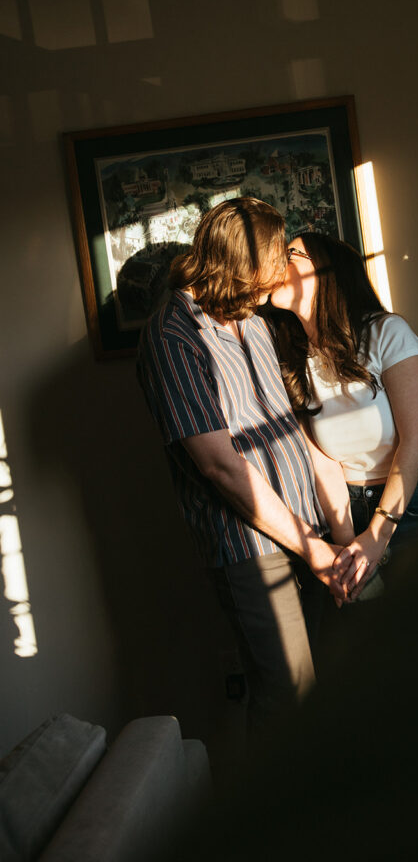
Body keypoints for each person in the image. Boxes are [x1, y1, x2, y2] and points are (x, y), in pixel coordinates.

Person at [136, 198, 346, 737]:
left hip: (309, 533)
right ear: (237, 265)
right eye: (268, 267)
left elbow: (286, 423)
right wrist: (312, 546)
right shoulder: (173, 335)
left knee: (328, 692)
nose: (274, 281)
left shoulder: (251, 320)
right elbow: (220, 467)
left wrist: (331, 528)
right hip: (251, 550)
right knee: (290, 701)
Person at [267, 231, 418, 602]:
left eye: (291, 253)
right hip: (351, 510)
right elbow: (324, 462)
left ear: (326, 273)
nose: (278, 262)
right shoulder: (293, 358)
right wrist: (346, 551)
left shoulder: (387, 333)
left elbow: (415, 442)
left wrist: (376, 537)